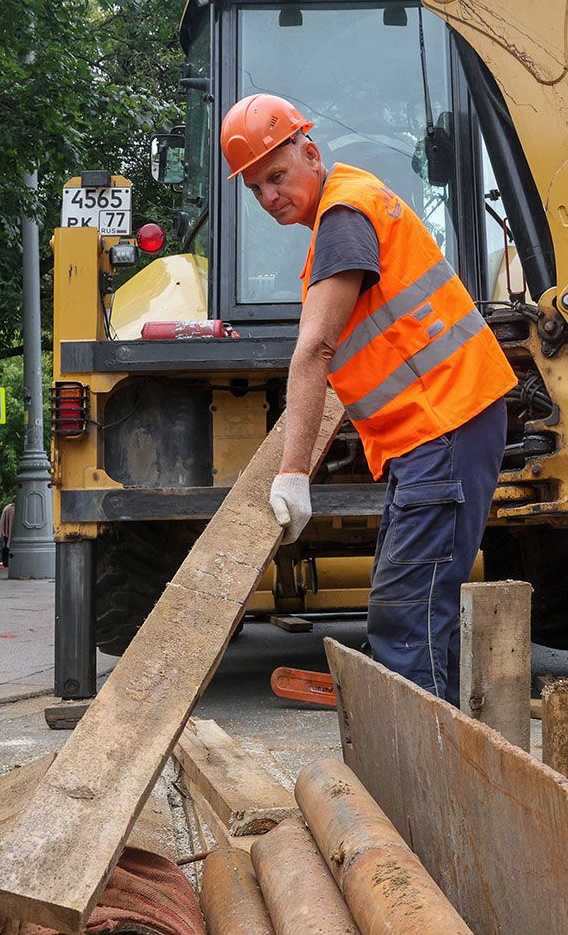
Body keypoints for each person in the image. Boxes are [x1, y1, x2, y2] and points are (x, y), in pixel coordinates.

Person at [220, 93, 516, 703]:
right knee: (405, 608)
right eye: (256, 188)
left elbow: (315, 350)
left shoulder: (344, 215)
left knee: (409, 616)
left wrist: (293, 474)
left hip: (446, 424)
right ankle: (429, 761)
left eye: (277, 175)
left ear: (310, 152)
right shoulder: (347, 208)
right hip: (440, 428)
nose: (271, 195)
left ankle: (428, 780)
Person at [0, 500, 15, 568]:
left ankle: (5, 562)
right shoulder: (18, 508)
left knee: (6, 548)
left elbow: (2, 521)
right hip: (15, 532)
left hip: (6, 531)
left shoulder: (7, 508)